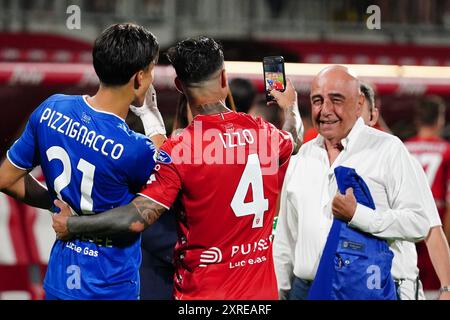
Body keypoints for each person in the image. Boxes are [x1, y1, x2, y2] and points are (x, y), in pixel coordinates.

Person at [52, 36, 303, 300]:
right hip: (260, 295)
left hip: (203, 294)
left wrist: (73, 225)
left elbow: (135, 219)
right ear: (223, 78)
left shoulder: (182, 148)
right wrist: (291, 105)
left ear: (179, 86)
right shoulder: (263, 132)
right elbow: (294, 137)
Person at [0, 23, 165, 300]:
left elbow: (5, 178)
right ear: (139, 78)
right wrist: (151, 115)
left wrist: (58, 204)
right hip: (110, 288)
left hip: (59, 282)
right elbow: (167, 168)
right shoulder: (135, 148)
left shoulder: (51, 109)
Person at [274, 65, 432, 300]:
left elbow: (419, 223)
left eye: (336, 99)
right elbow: (285, 240)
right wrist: (279, 290)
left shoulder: (388, 149)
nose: (325, 110)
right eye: (317, 101)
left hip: (369, 290)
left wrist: (358, 215)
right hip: (305, 291)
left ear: (359, 104)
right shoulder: (302, 157)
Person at [404, 96, 450, 299]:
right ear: (440, 120)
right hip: (436, 230)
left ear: (416, 120)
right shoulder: (447, 151)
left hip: (405, 230)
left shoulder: (401, 148)